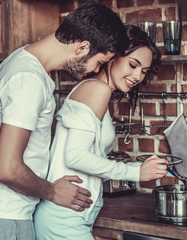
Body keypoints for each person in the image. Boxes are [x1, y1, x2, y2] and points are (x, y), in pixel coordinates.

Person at [0, 3, 128, 240]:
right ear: (82, 47)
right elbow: (7, 169)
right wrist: (52, 191)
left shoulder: (23, 60)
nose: (95, 70)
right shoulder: (28, 79)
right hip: (2, 221)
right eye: (100, 62)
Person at [33, 25, 168, 239]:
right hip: (63, 219)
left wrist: (139, 168)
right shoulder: (97, 89)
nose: (137, 76)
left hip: (72, 217)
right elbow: (76, 156)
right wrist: (135, 173)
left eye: (143, 71)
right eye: (133, 65)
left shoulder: (94, 88)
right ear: (112, 57)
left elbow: (88, 157)